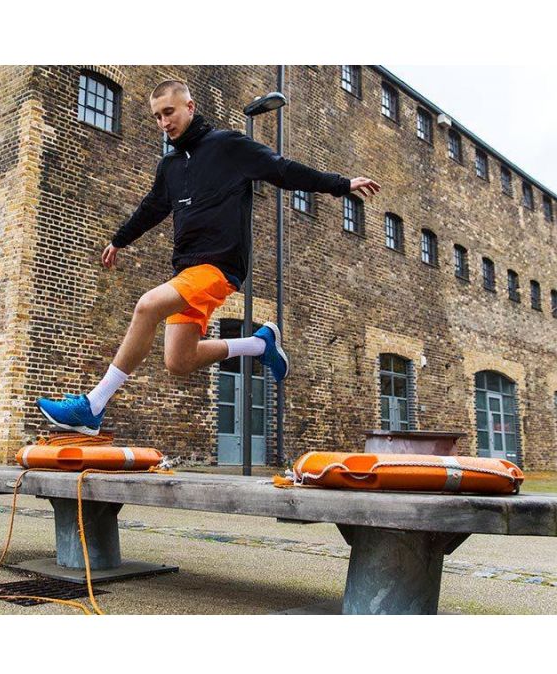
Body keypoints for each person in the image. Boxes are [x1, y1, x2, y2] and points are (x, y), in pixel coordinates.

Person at [37, 79, 380, 435]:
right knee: (179, 360)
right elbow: (152, 208)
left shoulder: (228, 146)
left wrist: (342, 184)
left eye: (169, 112)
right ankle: (258, 344)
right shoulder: (170, 165)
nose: (164, 122)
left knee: (148, 306)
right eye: (157, 117)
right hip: (187, 271)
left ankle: (93, 405)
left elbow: (282, 169)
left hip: (219, 265)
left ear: (189, 107)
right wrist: (120, 240)